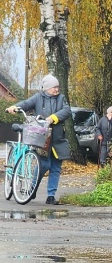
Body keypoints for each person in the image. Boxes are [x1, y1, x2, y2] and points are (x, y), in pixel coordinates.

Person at [7, 73, 72, 205]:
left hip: (57, 139)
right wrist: (15, 107)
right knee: (44, 165)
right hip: (42, 139)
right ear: (47, 88)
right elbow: (26, 104)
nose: (57, 89)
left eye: (57, 87)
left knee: (56, 168)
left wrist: (53, 118)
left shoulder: (61, 98)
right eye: (54, 87)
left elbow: (67, 111)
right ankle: (32, 188)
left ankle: (51, 196)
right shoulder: (38, 97)